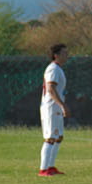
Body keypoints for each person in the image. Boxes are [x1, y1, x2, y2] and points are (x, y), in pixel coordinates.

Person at [39, 44, 69, 176]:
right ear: (56, 55)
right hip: (51, 107)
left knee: (58, 137)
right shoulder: (53, 69)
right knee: (50, 138)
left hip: (56, 107)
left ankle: (50, 167)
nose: (67, 56)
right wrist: (62, 105)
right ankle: (43, 169)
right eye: (64, 53)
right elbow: (51, 89)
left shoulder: (58, 69)